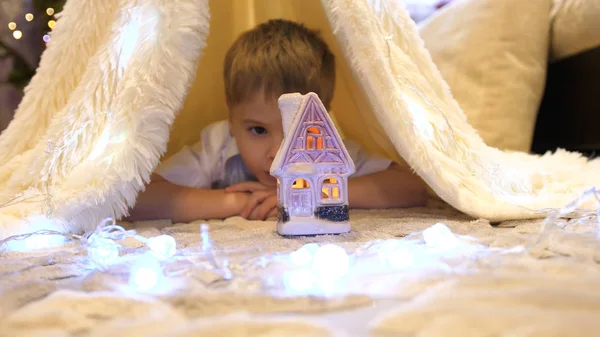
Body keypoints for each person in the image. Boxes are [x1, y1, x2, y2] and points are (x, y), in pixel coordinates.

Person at [127, 19, 427, 223]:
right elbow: (135, 199)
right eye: (258, 130)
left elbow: (411, 186)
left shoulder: (326, 148)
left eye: (295, 132)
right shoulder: (219, 144)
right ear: (231, 119)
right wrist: (238, 203)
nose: (277, 153)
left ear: (321, 119)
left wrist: (314, 195)